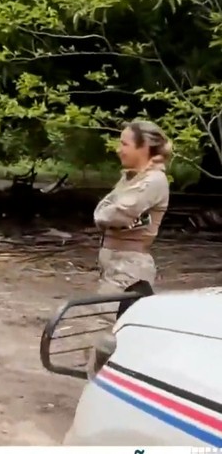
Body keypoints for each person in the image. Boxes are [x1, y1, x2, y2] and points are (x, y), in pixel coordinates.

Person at [87, 121, 171, 370]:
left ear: (144, 147)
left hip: (129, 268)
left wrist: (105, 214)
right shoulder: (132, 179)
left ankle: (104, 394)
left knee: (102, 335)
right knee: (114, 336)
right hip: (118, 265)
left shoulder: (153, 181)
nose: (118, 149)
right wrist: (105, 212)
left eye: (125, 143)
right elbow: (106, 209)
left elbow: (114, 213)